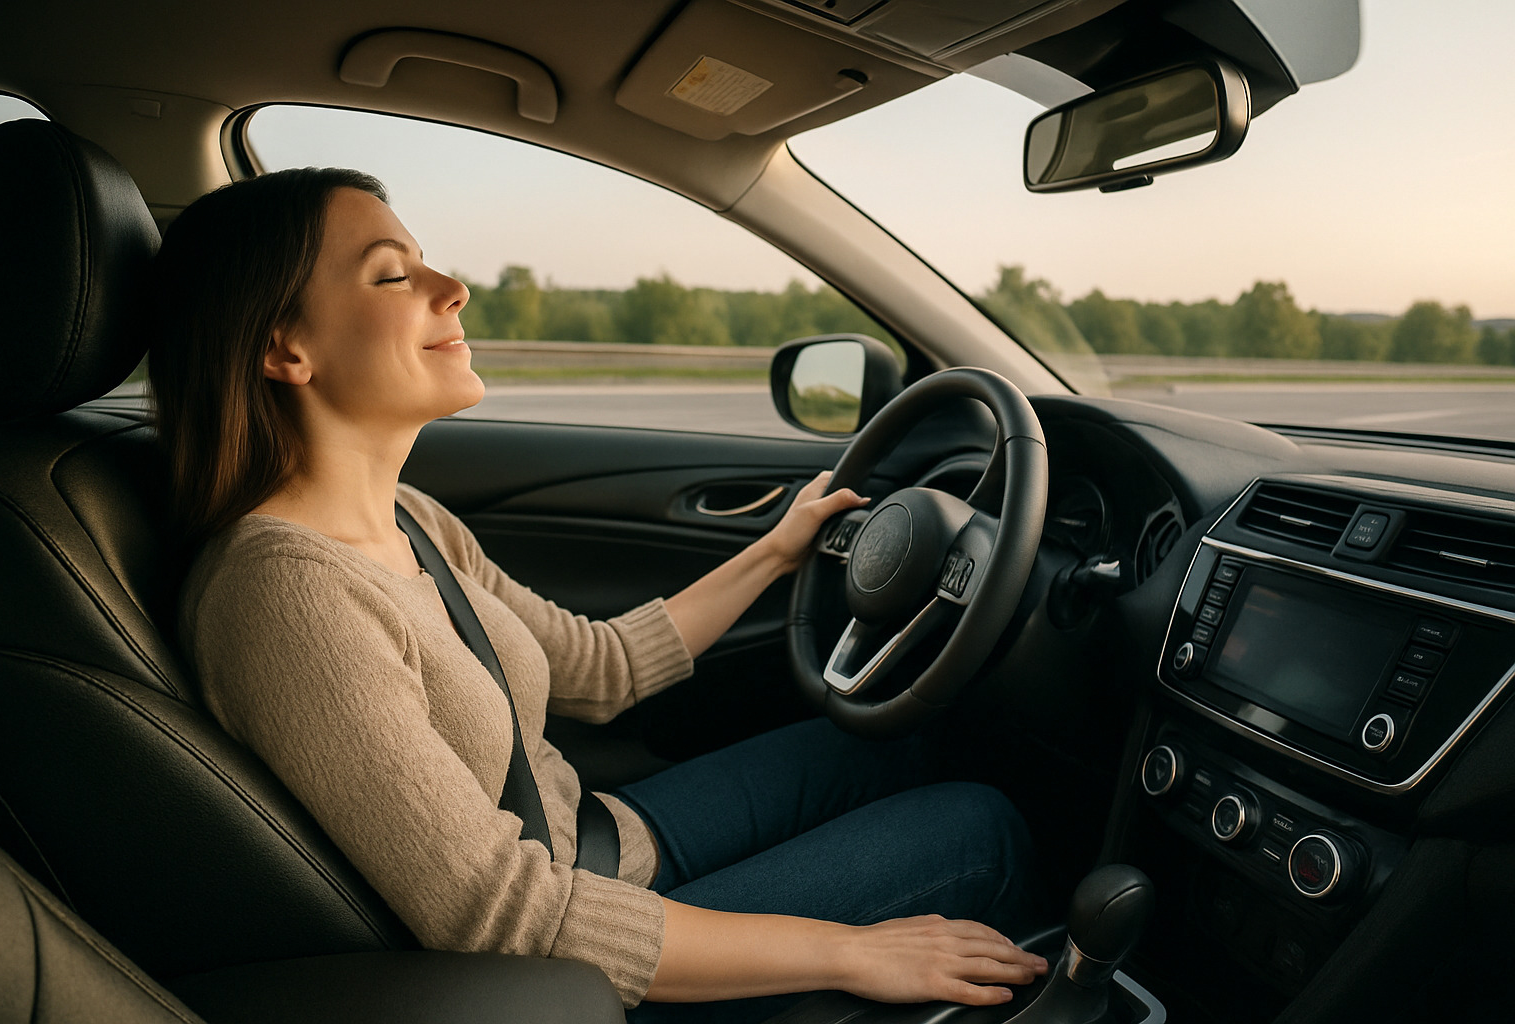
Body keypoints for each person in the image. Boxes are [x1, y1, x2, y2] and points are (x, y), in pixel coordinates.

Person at [148, 166, 1047, 1022]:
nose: (453, 288)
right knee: (980, 830)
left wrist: (777, 552)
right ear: (286, 349)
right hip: (579, 977)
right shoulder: (285, 597)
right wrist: (851, 952)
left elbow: (600, 667)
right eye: (393, 275)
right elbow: (504, 914)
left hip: (601, 845)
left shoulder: (411, 518)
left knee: (897, 742)